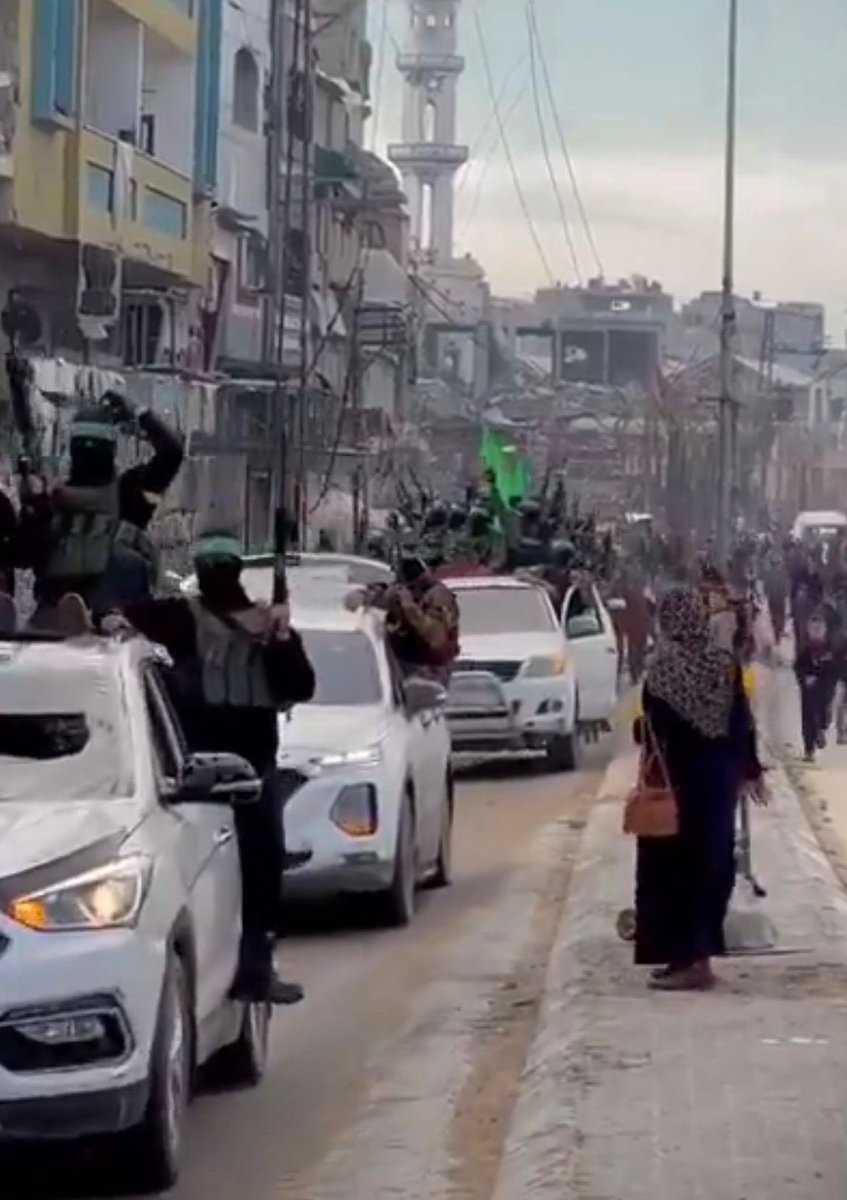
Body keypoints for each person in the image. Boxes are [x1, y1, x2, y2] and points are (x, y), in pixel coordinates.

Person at [112, 529, 316, 1004]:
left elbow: (300, 685)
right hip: (221, 775)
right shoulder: (200, 619)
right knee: (254, 876)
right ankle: (248, 969)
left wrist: (282, 638)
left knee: (249, 875)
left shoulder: (196, 619)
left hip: (213, 774)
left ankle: (249, 970)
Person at [634, 586, 765, 991]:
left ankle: (685, 960)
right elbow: (743, 720)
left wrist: (642, 730)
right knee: (712, 865)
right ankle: (697, 957)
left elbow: (653, 729)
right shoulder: (724, 664)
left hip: (678, 782)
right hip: (719, 780)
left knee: (673, 870)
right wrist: (751, 770)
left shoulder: (663, 670)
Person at [19, 394, 184, 625]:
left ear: (73, 449)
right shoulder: (131, 493)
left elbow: (22, 556)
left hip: (52, 626)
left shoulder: (51, 499)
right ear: (111, 448)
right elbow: (172, 453)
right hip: (116, 624)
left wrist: (32, 508)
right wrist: (138, 411)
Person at [353, 552, 460, 684]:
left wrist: (409, 607)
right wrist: (365, 596)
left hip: (430, 667)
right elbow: (382, 597)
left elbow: (434, 637)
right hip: (401, 662)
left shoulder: (438, 596)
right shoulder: (401, 590)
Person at [794, 613, 838, 761]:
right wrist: (804, 679)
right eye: (813, 629)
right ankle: (808, 749)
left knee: (824, 714)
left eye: (819, 629)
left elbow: (835, 669)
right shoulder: (805, 650)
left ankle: (821, 730)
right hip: (808, 691)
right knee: (807, 720)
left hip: (825, 690)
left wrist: (824, 678)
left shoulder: (830, 649)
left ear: (825, 631)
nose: (815, 633)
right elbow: (798, 666)